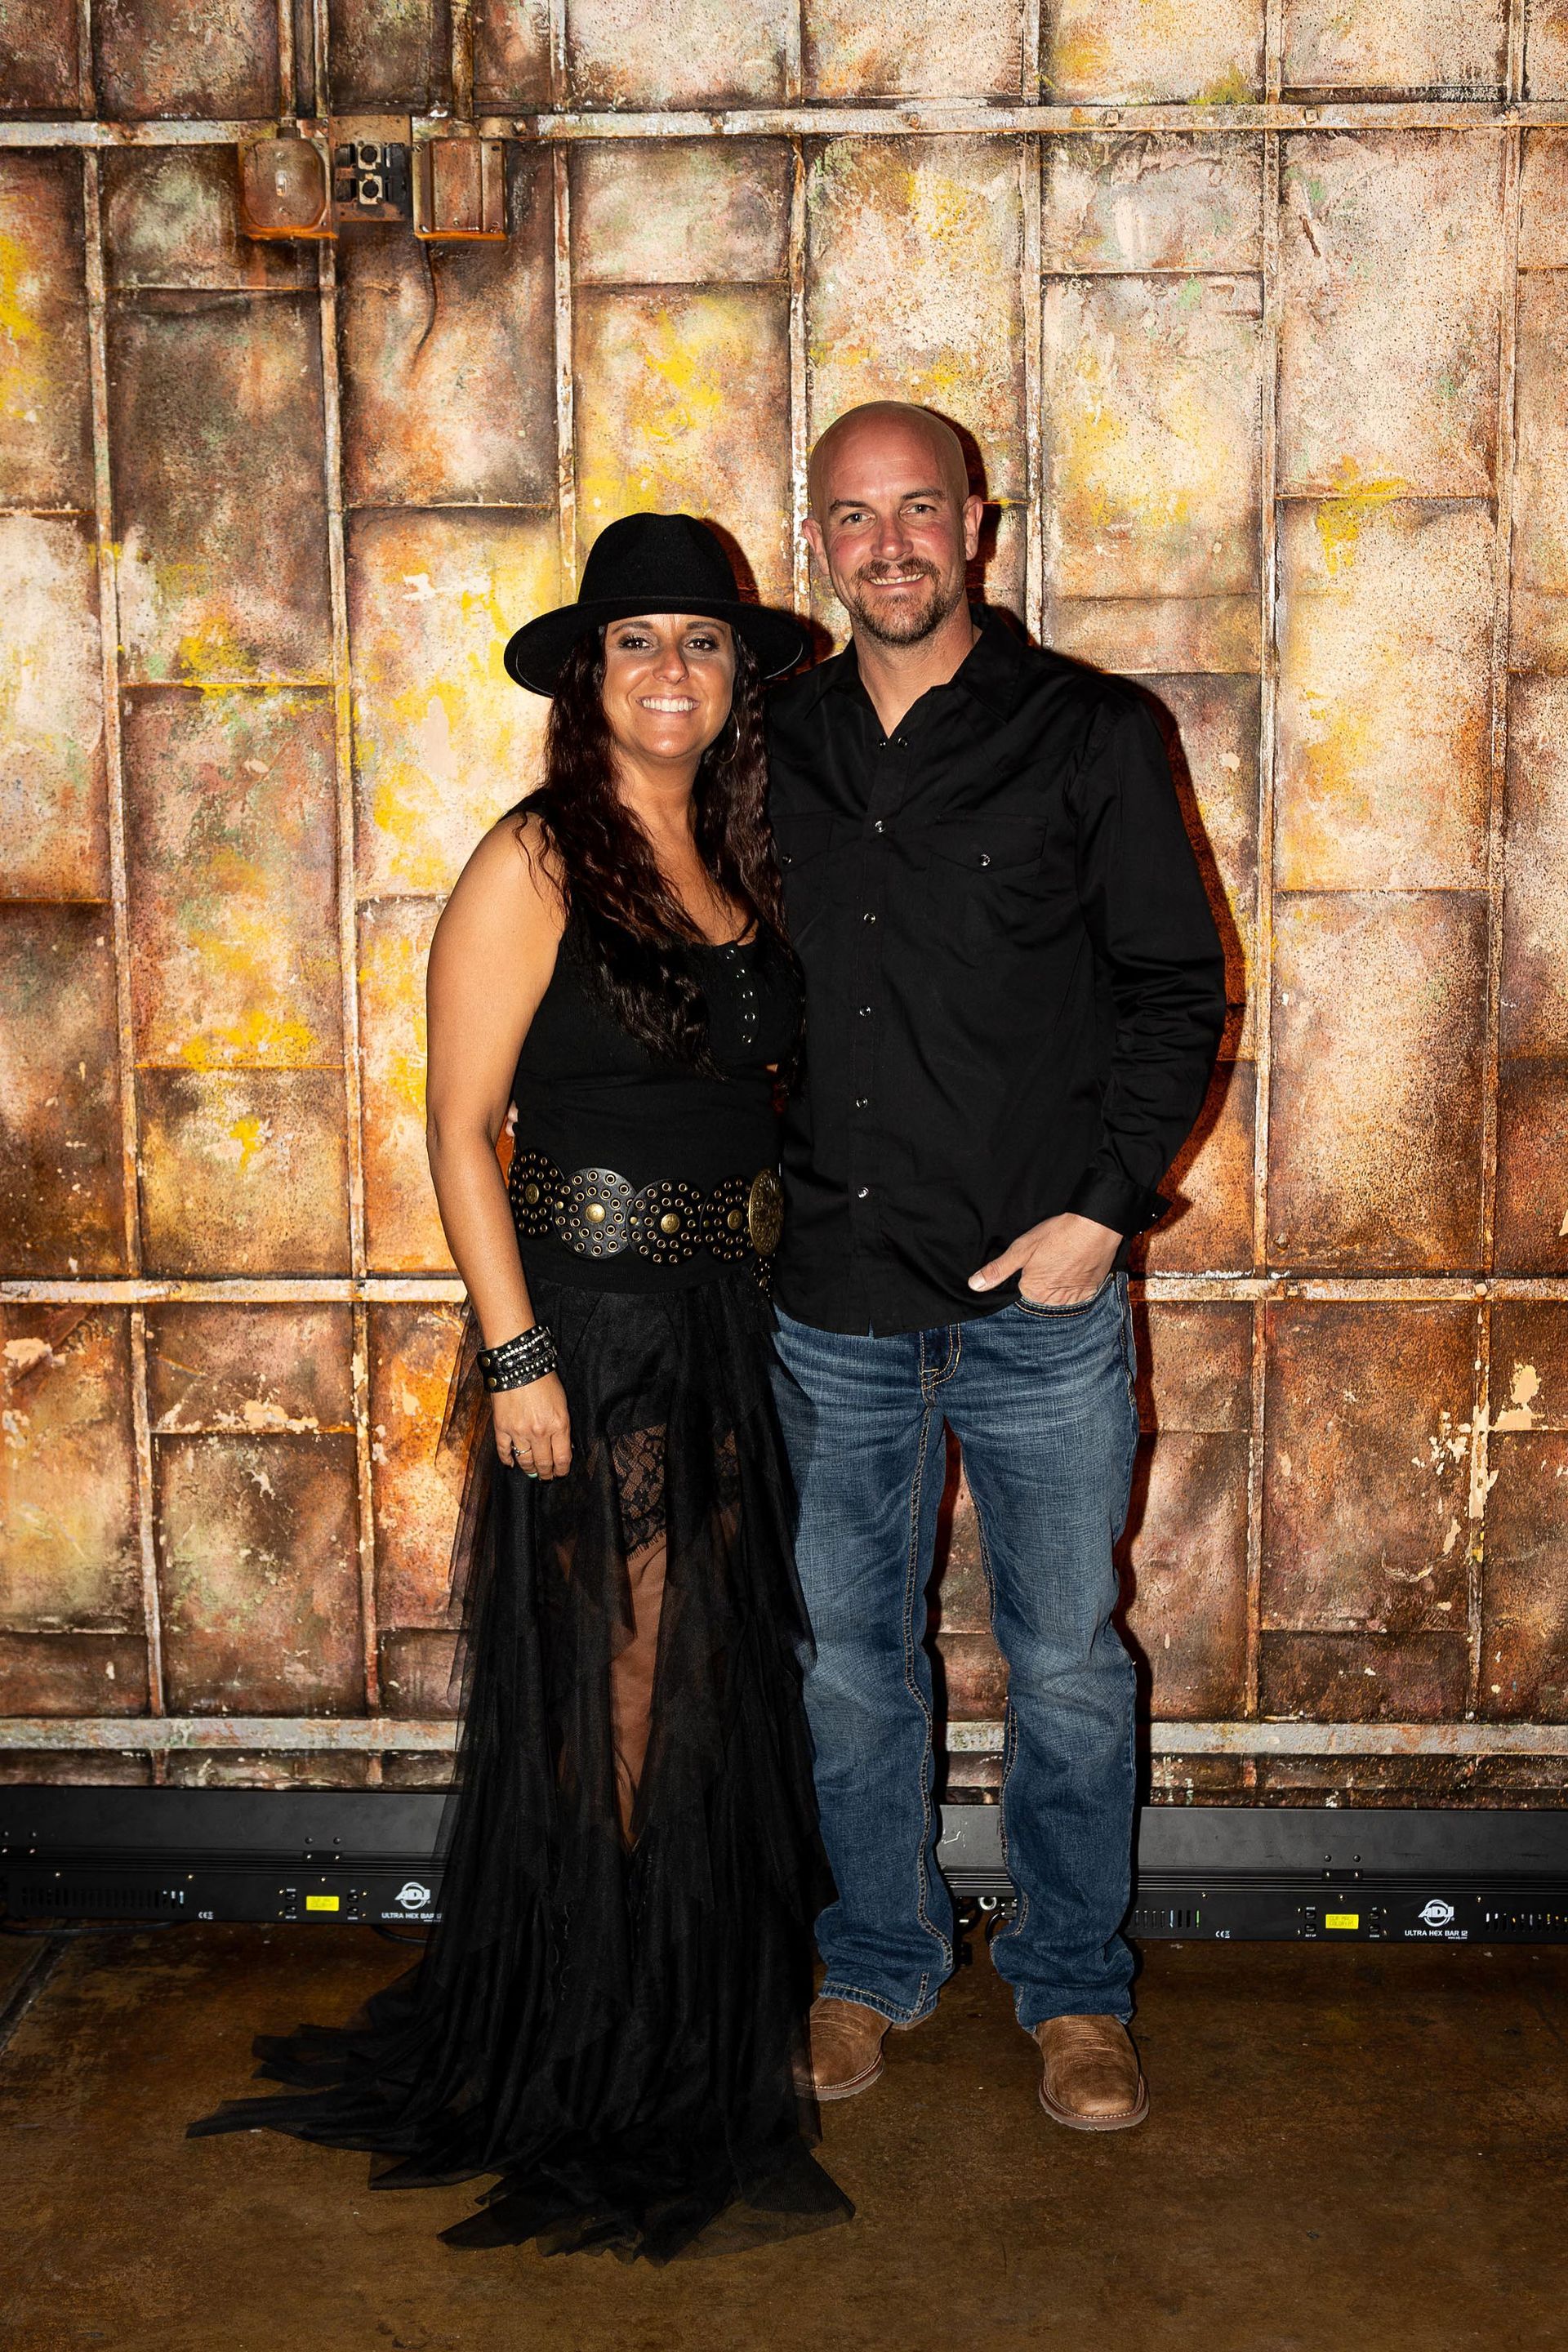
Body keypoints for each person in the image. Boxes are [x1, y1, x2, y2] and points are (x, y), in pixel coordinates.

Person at [190, 514, 851, 2260]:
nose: (670, 671)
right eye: (636, 640)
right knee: (623, 1678)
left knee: (704, 1663)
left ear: (739, 678)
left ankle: (679, 2012)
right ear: (587, 673)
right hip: (594, 1324)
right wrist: (519, 1354)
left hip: (732, 1315)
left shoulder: (741, 852)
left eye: (701, 643)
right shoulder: (536, 858)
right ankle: (602, 2035)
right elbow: (458, 1129)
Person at [767, 402, 1227, 2130]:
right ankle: (870, 1962)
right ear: (820, 540)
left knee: (1073, 1663)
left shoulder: (1092, 732)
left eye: (918, 510)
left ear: (980, 526)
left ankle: (1076, 1992)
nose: (887, 544)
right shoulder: (775, 744)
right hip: (833, 1302)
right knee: (846, 1665)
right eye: (851, 516)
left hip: (1042, 1308)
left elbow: (1181, 988)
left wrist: (1104, 1213)